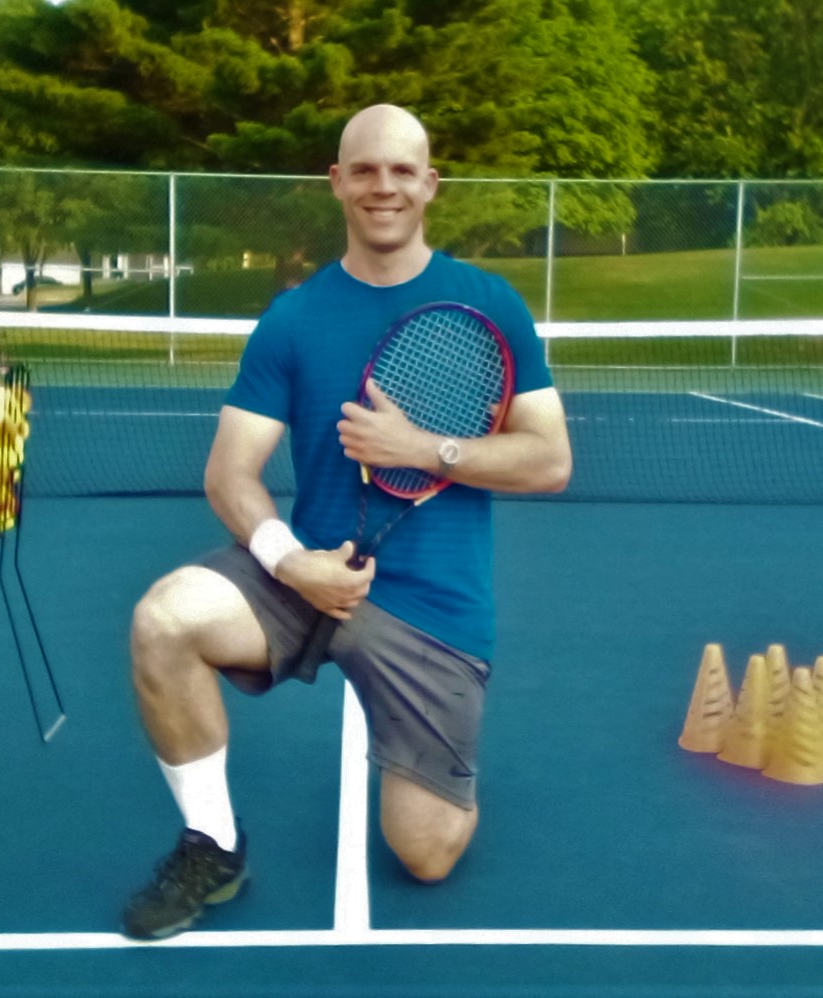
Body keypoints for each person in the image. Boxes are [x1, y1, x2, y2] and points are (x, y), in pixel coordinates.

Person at [121, 104, 572, 940]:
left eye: (402, 170)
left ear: (430, 185)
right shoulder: (293, 318)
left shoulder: (489, 302)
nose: (383, 186)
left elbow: (548, 460)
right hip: (304, 580)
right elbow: (229, 473)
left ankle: (440, 765)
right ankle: (211, 843)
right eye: (363, 169)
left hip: (432, 609)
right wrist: (290, 564)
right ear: (336, 183)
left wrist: (425, 447)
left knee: (426, 854)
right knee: (164, 620)